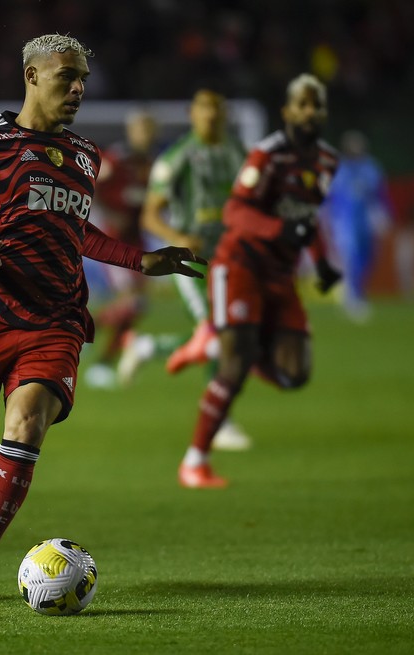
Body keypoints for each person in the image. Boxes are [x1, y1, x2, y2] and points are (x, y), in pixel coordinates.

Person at [0, 34, 205, 603]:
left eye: (83, 80)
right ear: (31, 76)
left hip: (58, 319)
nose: (78, 89)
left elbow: (76, 231)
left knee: (26, 426)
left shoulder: (86, 155)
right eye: (66, 77)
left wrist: (139, 260)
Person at [176, 73, 342, 489]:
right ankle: (195, 462)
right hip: (241, 266)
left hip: (281, 275)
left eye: (316, 105)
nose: (309, 112)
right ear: (287, 111)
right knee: (234, 367)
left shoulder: (327, 160)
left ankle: (214, 342)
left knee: (294, 373)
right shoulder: (268, 155)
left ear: (324, 113)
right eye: (301, 105)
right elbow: (235, 213)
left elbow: (307, 217)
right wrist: (280, 230)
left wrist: (322, 262)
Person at [117, 88, 251, 450]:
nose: (211, 115)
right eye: (204, 108)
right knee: (219, 335)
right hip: (190, 261)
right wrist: (179, 239)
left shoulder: (236, 151)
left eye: (217, 108)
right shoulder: (176, 157)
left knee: (227, 336)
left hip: (230, 259)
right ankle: (219, 422)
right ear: (192, 114)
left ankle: (146, 347)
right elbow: (149, 215)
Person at [83, 110, 160, 390]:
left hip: (138, 240)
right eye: (141, 129)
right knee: (132, 301)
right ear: (131, 131)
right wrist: (109, 216)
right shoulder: (116, 159)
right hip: (113, 241)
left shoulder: (152, 164)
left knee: (137, 306)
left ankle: (99, 355)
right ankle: (85, 336)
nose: (145, 135)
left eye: (149, 129)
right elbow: (90, 186)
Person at [320, 130, 391, 322]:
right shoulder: (338, 169)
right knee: (350, 257)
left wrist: (384, 214)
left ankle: (357, 291)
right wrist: (325, 215)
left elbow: (380, 194)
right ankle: (352, 296)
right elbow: (327, 195)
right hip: (344, 220)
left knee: (368, 256)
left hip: (366, 220)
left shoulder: (371, 168)